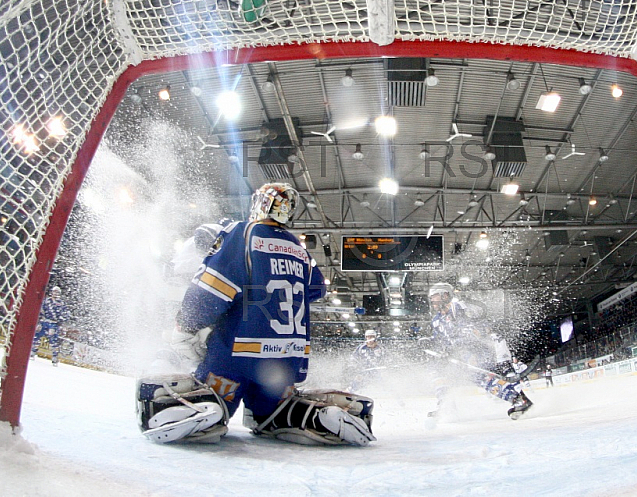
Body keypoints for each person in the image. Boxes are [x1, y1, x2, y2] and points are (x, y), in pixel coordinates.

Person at [137, 183, 375, 446]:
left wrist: (186, 325)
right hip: (285, 363)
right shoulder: (299, 249)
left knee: (203, 390)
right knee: (272, 410)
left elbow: (210, 291)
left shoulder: (242, 234)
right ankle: (297, 414)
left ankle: (203, 407)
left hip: (237, 354)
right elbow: (316, 287)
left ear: (258, 204)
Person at [421, 282, 533, 420]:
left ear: (445, 295)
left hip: (478, 349)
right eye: (431, 297)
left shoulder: (460, 308)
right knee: (438, 372)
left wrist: (463, 346)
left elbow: (477, 330)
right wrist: (430, 343)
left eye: (435, 296)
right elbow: (440, 341)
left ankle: (519, 400)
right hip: (460, 353)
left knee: (479, 376)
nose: (432, 300)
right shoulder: (437, 320)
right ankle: (446, 406)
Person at [31, 286, 70, 366]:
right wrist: (40, 319)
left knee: (53, 340)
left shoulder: (61, 304)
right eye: (54, 292)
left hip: (53, 324)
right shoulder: (46, 301)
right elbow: (40, 310)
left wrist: (60, 320)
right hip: (44, 321)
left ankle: (55, 357)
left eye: (57, 292)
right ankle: (32, 351)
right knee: (37, 336)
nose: (55, 294)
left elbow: (66, 315)